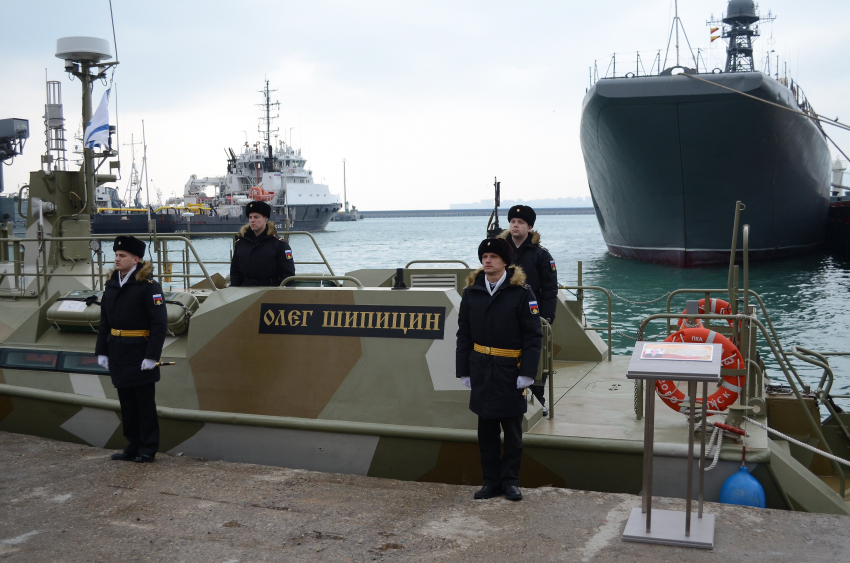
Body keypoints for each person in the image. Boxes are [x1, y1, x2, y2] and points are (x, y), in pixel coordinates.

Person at [456, 237, 543, 501]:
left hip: (510, 369)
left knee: (513, 432)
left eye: (493, 256)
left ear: (505, 261)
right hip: (481, 368)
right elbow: (464, 334)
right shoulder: (472, 293)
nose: (487, 260)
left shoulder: (522, 293)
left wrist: (527, 373)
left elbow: (533, 336)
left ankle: (511, 482)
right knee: (487, 432)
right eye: (484, 256)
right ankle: (490, 482)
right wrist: (464, 371)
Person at [96, 236, 168, 463]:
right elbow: (105, 321)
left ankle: (147, 448)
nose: (116, 259)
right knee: (126, 403)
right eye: (116, 255)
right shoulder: (111, 284)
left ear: (135, 259)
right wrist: (102, 351)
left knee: (144, 405)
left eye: (122, 255)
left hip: (139, 353)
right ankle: (133, 445)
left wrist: (152, 356)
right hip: (118, 350)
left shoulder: (149, 287)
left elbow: (159, 325)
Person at [498, 205, 558, 414]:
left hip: (532, 314)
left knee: (535, 357)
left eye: (521, 222)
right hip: (504, 314)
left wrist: (547, 318)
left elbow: (550, 289)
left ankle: (538, 400)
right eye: (513, 222)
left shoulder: (540, 255)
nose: (515, 225)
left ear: (530, 227)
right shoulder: (499, 250)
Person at [229, 200, 295, 287]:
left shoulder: (279, 244)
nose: (252, 220)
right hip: (245, 290)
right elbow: (235, 272)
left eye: (256, 217)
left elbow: (288, 275)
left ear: (265, 219)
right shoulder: (241, 243)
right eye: (250, 217)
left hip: (270, 291)